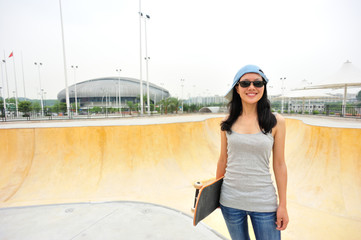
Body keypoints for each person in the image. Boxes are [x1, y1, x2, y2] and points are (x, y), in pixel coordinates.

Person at [216, 65, 289, 240]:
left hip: (264, 202)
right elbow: (222, 160)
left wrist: (283, 205)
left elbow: (279, 164)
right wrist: (214, 196)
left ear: (264, 87)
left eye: (258, 83)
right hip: (230, 201)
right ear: (237, 88)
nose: (251, 87)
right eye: (245, 83)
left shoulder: (276, 121)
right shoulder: (227, 121)